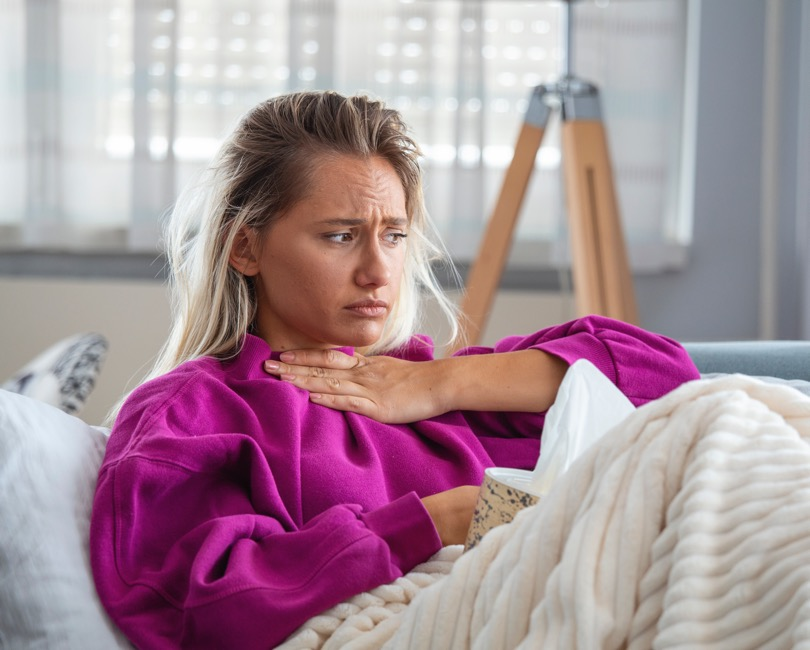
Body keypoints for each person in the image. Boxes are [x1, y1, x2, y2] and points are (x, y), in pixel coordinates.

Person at [89, 90, 700, 649]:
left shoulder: (424, 386)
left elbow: (668, 377)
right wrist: (447, 517)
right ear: (244, 247)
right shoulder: (196, 411)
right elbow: (199, 601)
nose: (379, 271)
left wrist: (439, 384)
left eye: (395, 235)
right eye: (339, 236)